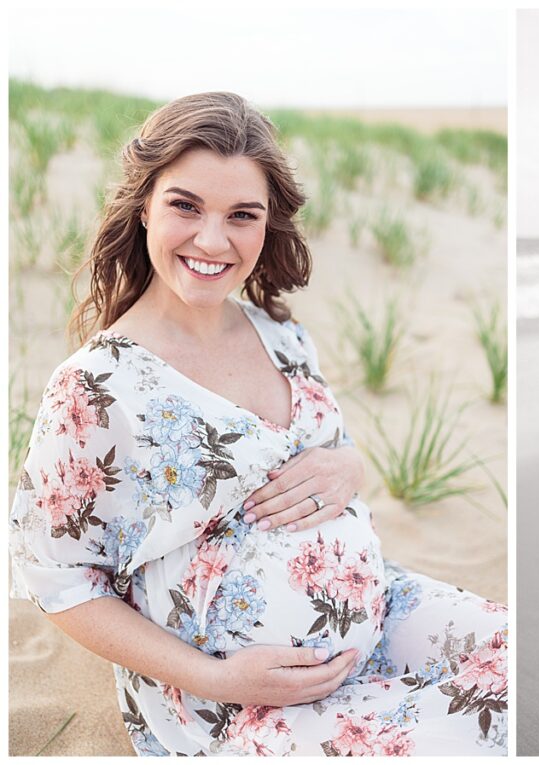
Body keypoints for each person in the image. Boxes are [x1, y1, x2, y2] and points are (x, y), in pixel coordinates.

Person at [9, 92, 507, 757]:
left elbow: (334, 454)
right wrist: (217, 676)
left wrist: (352, 466)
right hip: (227, 696)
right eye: (185, 205)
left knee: (519, 665)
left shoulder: (282, 335)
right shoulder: (97, 385)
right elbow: (58, 578)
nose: (213, 240)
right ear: (143, 205)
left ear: (267, 224)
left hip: (381, 608)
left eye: (242, 215)